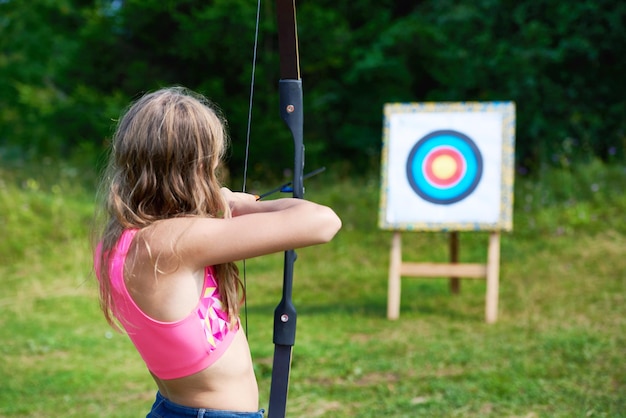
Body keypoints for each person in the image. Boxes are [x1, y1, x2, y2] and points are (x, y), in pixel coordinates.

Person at [93, 86, 341, 418]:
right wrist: (240, 204)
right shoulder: (174, 241)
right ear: (194, 166)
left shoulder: (124, 238)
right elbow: (323, 222)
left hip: (174, 408)